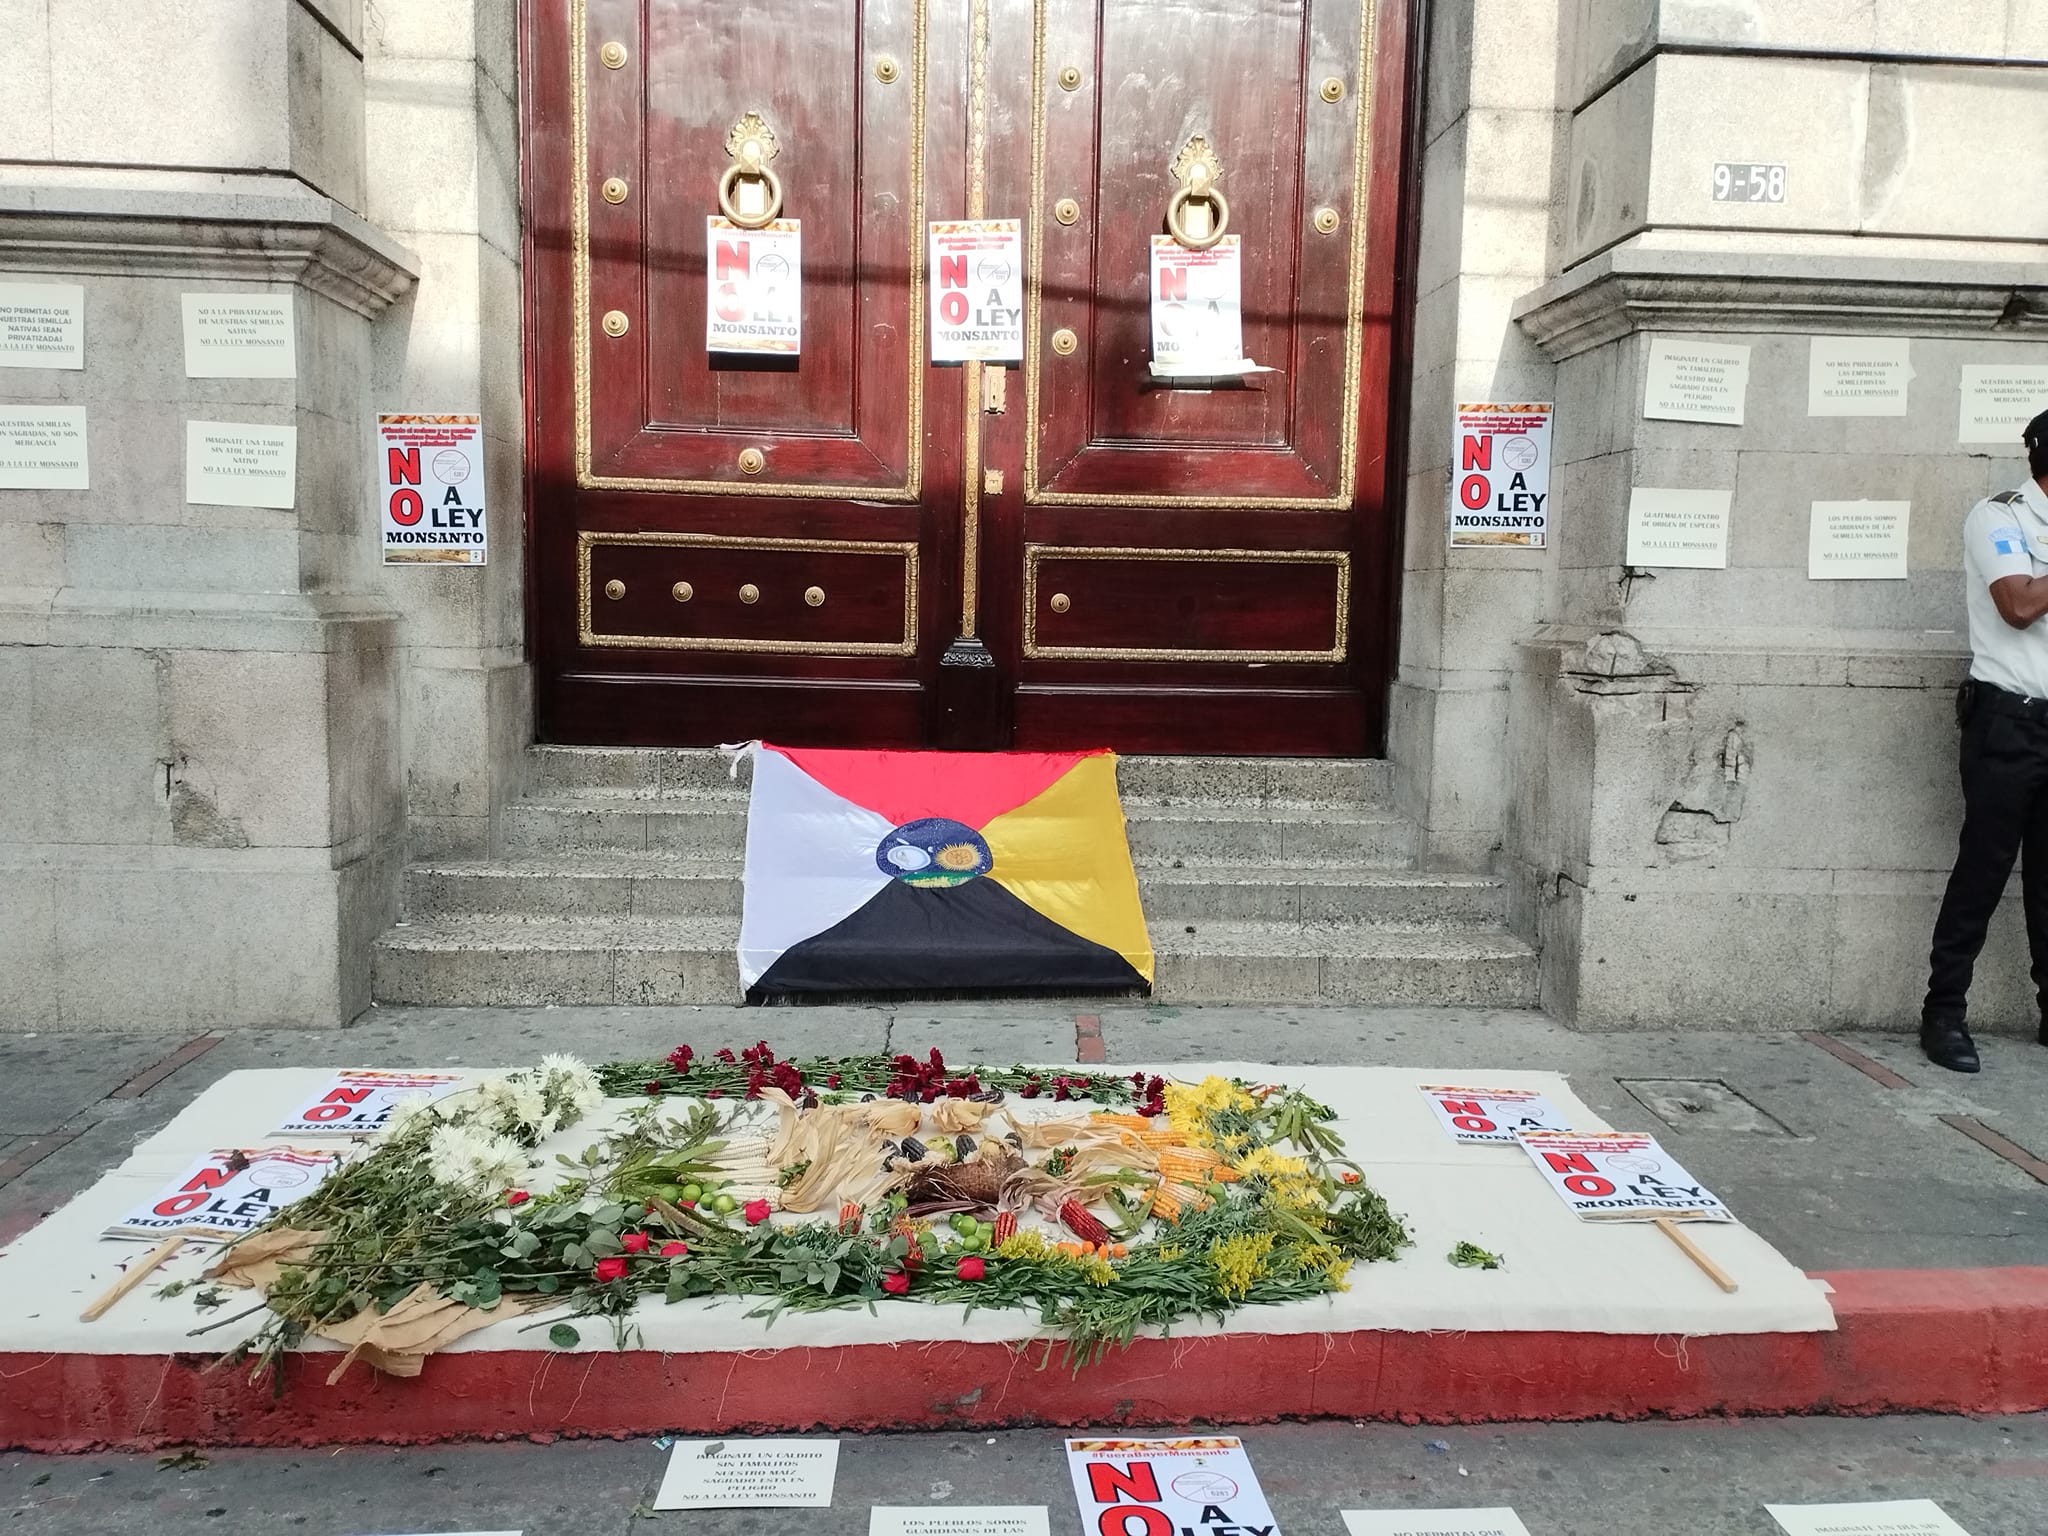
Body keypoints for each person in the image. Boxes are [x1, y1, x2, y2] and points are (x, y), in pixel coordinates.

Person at [1923, 407, 2048, 1073]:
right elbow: (2019, 604)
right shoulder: (2000, 518)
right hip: (2009, 721)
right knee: (1984, 869)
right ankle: (1944, 1013)